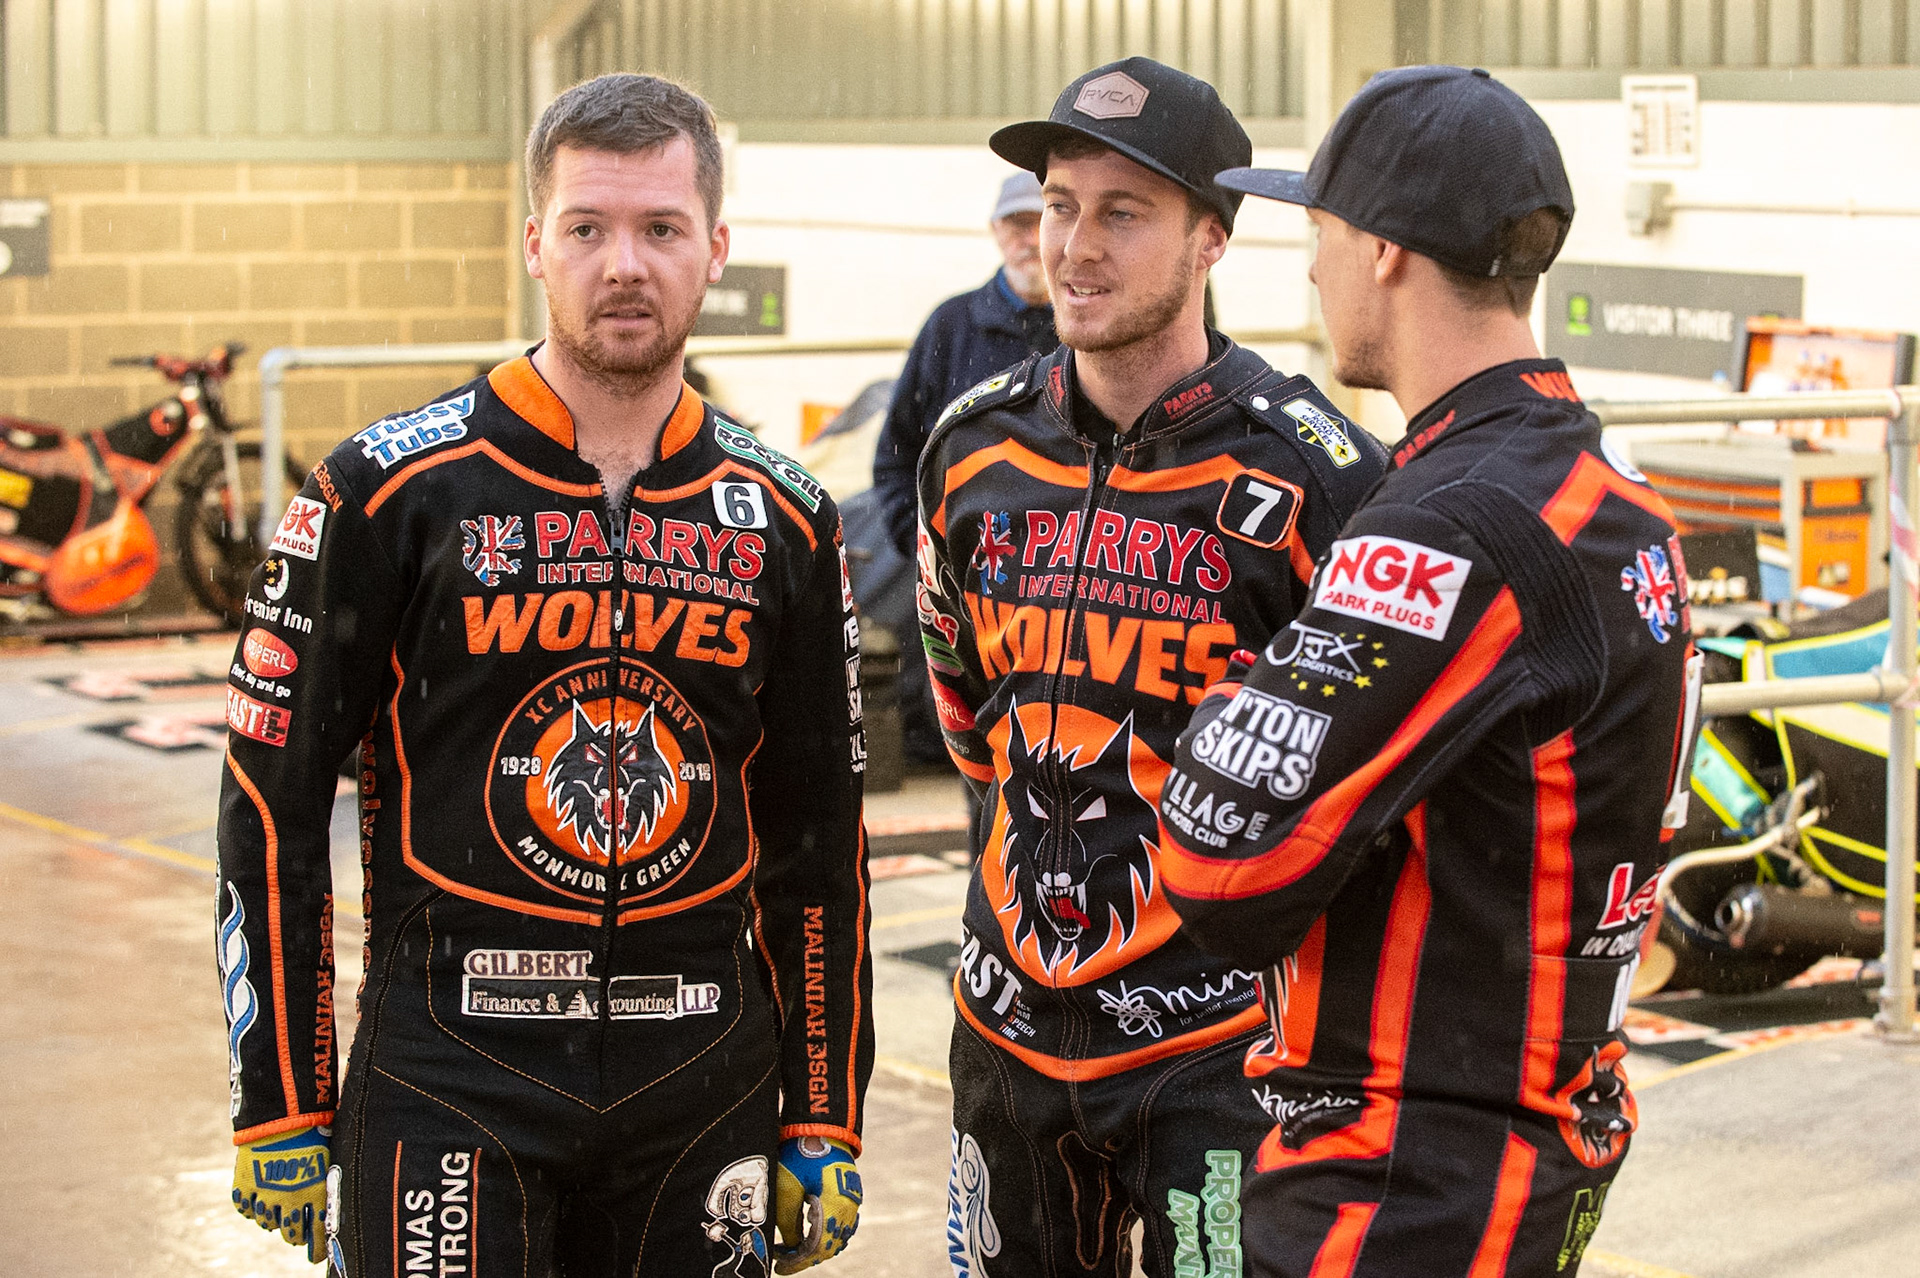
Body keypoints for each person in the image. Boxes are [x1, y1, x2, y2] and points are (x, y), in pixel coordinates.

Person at [219, 73, 872, 1278]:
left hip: (701, 1079)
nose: (624, 265)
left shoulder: (788, 515)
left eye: (662, 230)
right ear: (535, 243)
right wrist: (281, 1094)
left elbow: (819, 837)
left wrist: (825, 1108)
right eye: (588, 229)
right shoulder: (387, 492)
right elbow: (271, 797)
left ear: (715, 249)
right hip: (453, 1075)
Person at [1157, 66, 1702, 1276]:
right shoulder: (1611, 502)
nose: (1308, 266)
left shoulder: (1446, 526)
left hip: (1399, 1185)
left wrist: (1233, 702)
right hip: (1526, 1154)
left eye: (1319, 229)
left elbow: (1217, 872)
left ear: (1386, 249)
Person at [915, 57, 1388, 1277]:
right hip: (1008, 1030)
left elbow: (1367, 788)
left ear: (1212, 239)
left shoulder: (1319, 476)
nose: (1075, 245)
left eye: (1123, 213)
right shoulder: (971, 450)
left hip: (1224, 1054)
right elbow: (968, 723)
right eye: (1061, 204)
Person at [874, 171, 1057, 561]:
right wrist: (927, 550)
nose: (1034, 240)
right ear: (995, 230)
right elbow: (897, 453)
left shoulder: (1093, 334)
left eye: (1046, 222)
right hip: (962, 573)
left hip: (1063, 582)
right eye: (1019, 225)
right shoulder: (950, 326)